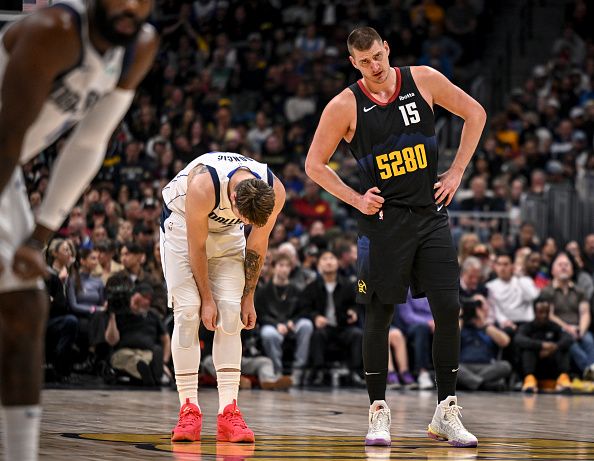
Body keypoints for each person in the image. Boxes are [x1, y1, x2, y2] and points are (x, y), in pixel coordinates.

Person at [305, 26, 485, 447]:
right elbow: (314, 164)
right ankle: (378, 412)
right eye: (364, 61)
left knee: (449, 307)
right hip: (383, 223)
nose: (374, 66)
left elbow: (476, 113)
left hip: (431, 216)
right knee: (380, 315)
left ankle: (447, 410)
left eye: (377, 57)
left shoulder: (423, 78)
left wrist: (457, 171)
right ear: (353, 63)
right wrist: (353, 198)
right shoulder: (343, 105)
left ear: (387, 49)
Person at [0, 1, 158, 459]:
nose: (131, 6)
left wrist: (38, 238)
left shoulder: (138, 46)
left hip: (7, 164)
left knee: (26, 308)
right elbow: (10, 132)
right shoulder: (55, 29)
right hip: (4, 149)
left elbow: (89, 142)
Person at [160, 152, 285, 443]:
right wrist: (206, 298)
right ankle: (188, 409)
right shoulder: (204, 184)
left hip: (228, 235)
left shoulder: (274, 190)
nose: (248, 223)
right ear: (232, 198)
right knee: (189, 311)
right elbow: (197, 247)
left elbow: (257, 244)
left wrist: (248, 296)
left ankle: (229, 411)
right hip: (182, 227)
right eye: (245, 218)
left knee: (232, 315)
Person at [300, 249, 364, 387]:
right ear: (319, 265)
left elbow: (357, 303)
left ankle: (355, 373)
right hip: (324, 328)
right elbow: (304, 308)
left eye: (331, 258)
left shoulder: (347, 284)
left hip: (342, 326)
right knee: (317, 336)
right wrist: (315, 317)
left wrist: (353, 311)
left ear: (338, 263)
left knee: (357, 334)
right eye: (324, 259)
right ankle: (318, 372)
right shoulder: (312, 287)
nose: (328, 262)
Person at [255, 252, 313, 385]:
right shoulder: (264, 291)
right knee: (268, 334)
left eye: (287, 266)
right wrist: (277, 324)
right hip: (272, 325)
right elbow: (261, 314)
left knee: (306, 325)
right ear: (274, 268)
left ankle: (298, 369)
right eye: (281, 265)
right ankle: (277, 371)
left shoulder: (297, 290)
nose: (284, 269)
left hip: (292, 324)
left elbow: (304, 310)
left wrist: (293, 321)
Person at [515, 298, 573, 393]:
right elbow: (518, 339)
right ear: (534, 312)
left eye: (547, 312)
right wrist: (541, 346)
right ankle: (530, 380)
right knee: (527, 349)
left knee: (564, 348)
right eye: (541, 312)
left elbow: (568, 338)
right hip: (534, 365)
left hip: (552, 365)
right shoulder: (527, 327)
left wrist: (554, 347)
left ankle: (563, 378)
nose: (544, 315)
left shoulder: (554, 326)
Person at [457, 297, 512, 392]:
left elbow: (505, 342)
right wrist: (462, 317)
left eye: (479, 306)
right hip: (464, 366)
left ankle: (468, 383)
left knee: (505, 366)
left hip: (487, 367)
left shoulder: (490, 327)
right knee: (452, 368)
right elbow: (450, 338)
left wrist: (483, 323)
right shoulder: (461, 326)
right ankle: (484, 385)